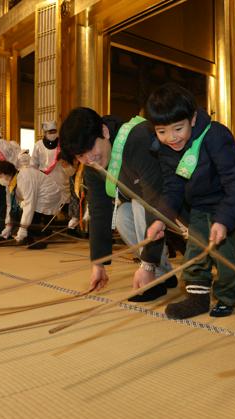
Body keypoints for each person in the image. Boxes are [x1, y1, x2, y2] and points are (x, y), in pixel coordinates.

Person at [145, 83, 235, 319]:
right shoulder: (165, 148)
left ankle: (229, 295)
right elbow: (172, 186)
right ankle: (198, 298)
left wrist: (224, 220)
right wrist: (160, 220)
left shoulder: (215, 135)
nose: (171, 138)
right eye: (161, 131)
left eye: (178, 128)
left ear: (193, 119)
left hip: (227, 202)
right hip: (199, 206)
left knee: (224, 255)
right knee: (195, 252)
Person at [59, 107, 176, 301]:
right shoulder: (92, 164)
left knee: (139, 204)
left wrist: (146, 264)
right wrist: (99, 264)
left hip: (176, 207)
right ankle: (162, 274)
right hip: (152, 215)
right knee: (123, 215)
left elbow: (153, 200)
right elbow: (99, 211)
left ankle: (151, 272)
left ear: (104, 132)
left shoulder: (137, 139)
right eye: (80, 156)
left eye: (90, 149)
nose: (88, 159)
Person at [0, 152, 63, 248]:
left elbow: (30, 204)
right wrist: (8, 226)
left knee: (29, 211)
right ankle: (29, 236)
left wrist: (23, 228)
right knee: (19, 211)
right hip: (36, 197)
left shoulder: (24, 178)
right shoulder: (10, 184)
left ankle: (37, 238)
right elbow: (10, 206)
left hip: (48, 195)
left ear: (7, 174)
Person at [32, 120, 76, 222]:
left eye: (54, 131)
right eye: (50, 132)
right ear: (44, 133)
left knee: (65, 208)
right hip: (45, 183)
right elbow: (33, 165)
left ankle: (69, 228)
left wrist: (65, 164)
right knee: (47, 210)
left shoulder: (64, 145)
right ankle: (47, 230)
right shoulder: (38, 145)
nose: (52, 134)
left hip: (62, 182)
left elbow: (72, 171)